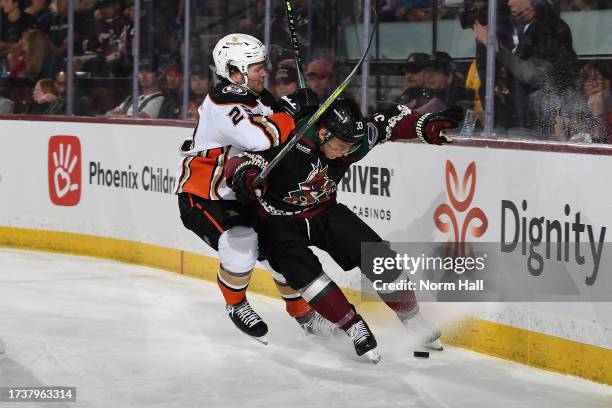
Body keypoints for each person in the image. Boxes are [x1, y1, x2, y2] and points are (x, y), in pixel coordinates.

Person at [225, 96, 461, 360]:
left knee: (379, 256)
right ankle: (353, 327)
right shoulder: (288, 135)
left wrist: (425, 126)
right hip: (275, 218)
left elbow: (388, 124)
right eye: (339, 146)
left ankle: (412, 318)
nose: (344, 154)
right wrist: (244, 177)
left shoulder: (354, 141)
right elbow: (243, 158)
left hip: (322, 210)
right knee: (303, 272)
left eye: (350, 148)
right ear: (323, 133)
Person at [175, 33, 334, 343]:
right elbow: (258, 139)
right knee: (243, 242)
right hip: (205, 196)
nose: (265, 72)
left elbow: (283, 132)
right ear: (235, 70)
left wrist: (306, 111)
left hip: (246, 193)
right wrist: (290, 109)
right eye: (258, 67)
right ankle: (236, 305)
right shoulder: (221, 101)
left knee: (282, 248)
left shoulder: (259, 98)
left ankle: (305, 315)